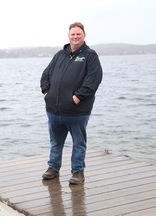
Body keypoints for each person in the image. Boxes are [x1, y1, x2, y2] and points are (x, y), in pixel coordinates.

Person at [40, 22, 103, 184]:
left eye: (78, 34)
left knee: (79, 143)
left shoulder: (90, 55)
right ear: (69, 36)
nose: (75, 37)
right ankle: (53, 168)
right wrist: (47, 93)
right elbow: (45, 74)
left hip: (77, 112)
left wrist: (77, 97)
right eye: (73, 34)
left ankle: (78, 172)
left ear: (84, 36)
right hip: (54, 110)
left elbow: (93, 80)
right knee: (55, 143)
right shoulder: (60, 55)